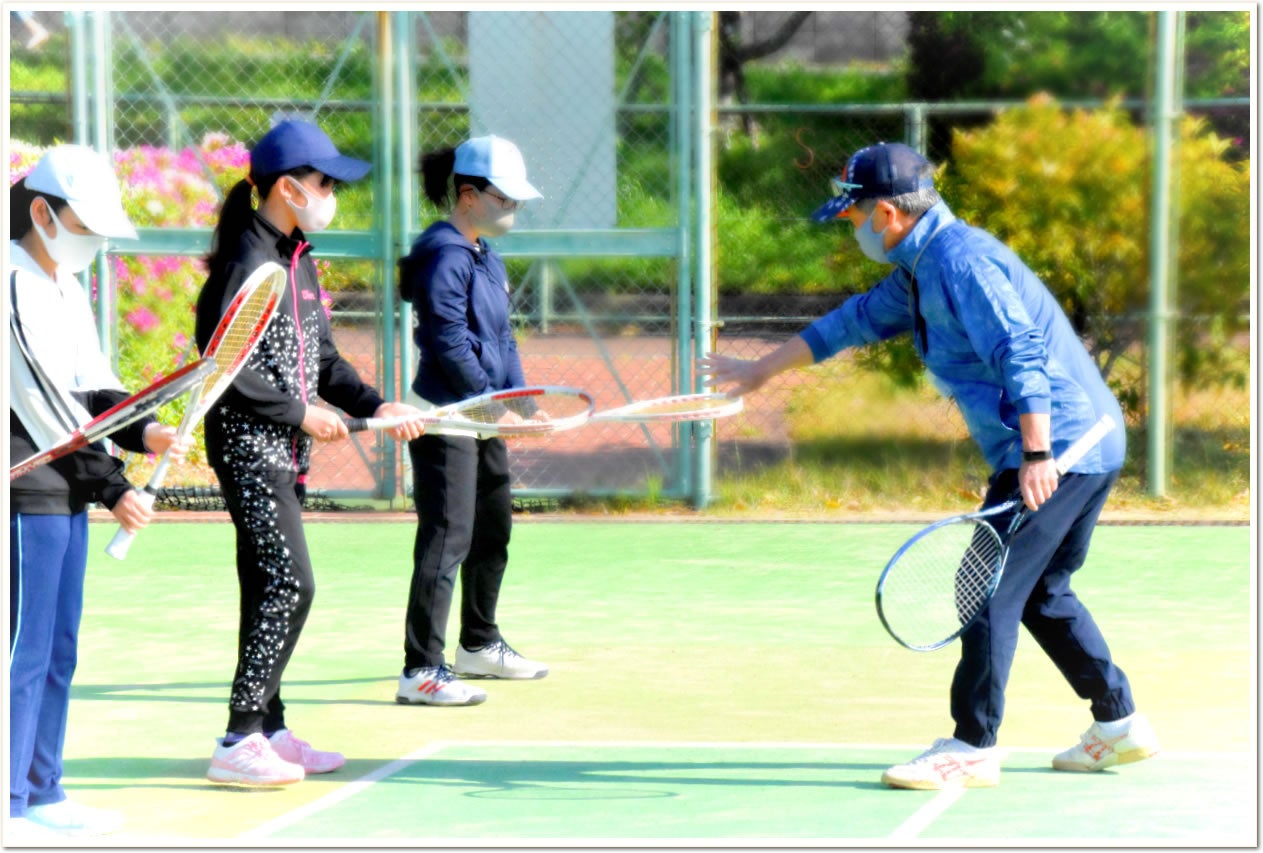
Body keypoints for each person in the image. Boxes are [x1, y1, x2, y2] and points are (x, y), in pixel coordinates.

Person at [699, 141, 1159, 790]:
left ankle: (971, 744)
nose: (850, 227)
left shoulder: (961, 263)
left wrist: (1035, 453)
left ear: (886, 213)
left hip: (1061, 444)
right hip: (1084, 439)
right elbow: (849, 323)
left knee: (985, 586)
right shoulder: (920, 268)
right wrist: (756, 371)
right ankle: (1118, 725)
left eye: (853, 216)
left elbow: (1019, 351)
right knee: (1040, 592)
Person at [196, 119, 424, 786]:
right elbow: (222, 367)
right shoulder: (247, 260)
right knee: (292, 582)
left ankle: (269, 727)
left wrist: (375, 404)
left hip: (284, 449)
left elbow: (320, 359)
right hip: (248, 447)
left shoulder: (296, 259)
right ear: (288, 188)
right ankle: (238, 737)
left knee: (267, 583)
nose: (332, 193)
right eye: (324, 182)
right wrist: (301, 414)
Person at [9, 145, 189, 838]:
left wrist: (145, 431)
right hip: (26, 491)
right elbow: (45, 406)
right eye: (84, 224)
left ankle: (41, 786)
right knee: (24, 648)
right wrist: (114, 485)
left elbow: (95, 386)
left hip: (67, 490)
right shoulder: (11, 283)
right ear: (41, 212)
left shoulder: (63, 287)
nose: (93, 241)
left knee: (59, 646)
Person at [394, 135, 548, 707]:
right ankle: (421, 669)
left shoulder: (484, 253)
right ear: (468, 194)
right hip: (444, 415)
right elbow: (448, 341)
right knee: (446, 539)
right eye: (505, 198)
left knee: (493, 528)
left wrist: (525, 402)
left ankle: (478, 644)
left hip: (479, 413)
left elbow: (500, 337)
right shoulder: (444, 253)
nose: (514, 208)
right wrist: (493, 404)